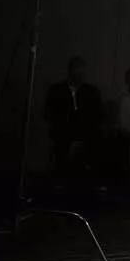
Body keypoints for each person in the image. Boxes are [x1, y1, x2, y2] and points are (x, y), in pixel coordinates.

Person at [43, 56, 103, 189]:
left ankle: (85, 182)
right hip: (63, 131)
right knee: (64, 150)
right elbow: (48, 113)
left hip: (86, 132)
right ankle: (63, 182)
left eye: (81, 69)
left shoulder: (91, 91)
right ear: (70, 70)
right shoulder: (57, 89)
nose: (79, 72)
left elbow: (98, 115)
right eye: (76, 68)